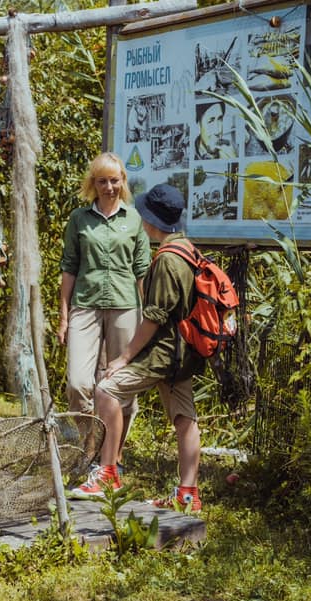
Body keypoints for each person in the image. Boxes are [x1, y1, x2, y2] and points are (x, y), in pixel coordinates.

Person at [71, 183, 206, 513]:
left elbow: (154, 319)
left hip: (164, 353)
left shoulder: (167, 261)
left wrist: (124, 357)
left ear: (150, 221)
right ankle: (188, 495)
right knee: (185, 418)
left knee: (106, 390)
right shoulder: (189, 250)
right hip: (187, 350)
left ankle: (108, 474)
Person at [58, 153, 149, 497]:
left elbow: (142, 271)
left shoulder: (134, 220)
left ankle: (113, 457)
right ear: (92, 184)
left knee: (120, 385)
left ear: (123, 181)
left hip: (126, 306)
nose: (109, 187)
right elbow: (69, 267)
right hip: (86, 305)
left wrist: (150, 320)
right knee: (79, 383)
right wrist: (64, 315)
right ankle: (89, 452)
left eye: (115, 180)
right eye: (102, 181)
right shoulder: (79, 219)